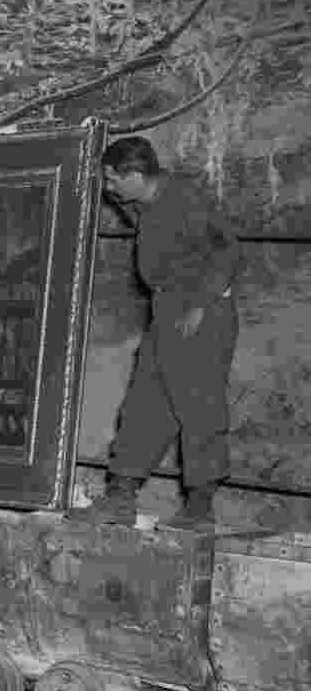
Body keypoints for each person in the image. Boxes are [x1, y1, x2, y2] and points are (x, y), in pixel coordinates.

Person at [66, 136, 242, 531]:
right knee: (145, 403)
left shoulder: (185, 198)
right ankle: (120, 498)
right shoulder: (147, 204)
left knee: (199, 407)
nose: (108, 189)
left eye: (112, 181)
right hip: (166, 311)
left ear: (134, 175)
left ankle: (200, 510)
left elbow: (227, 250)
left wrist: (201, 304)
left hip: (198, 312)